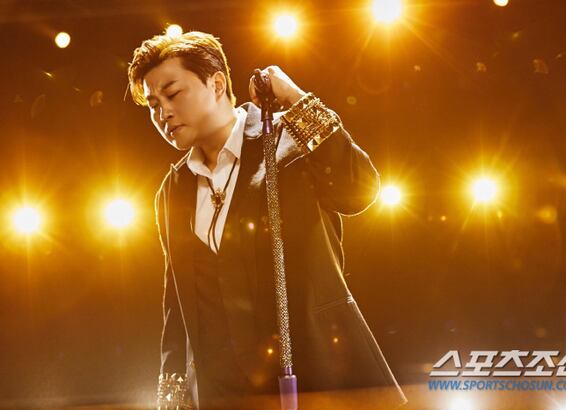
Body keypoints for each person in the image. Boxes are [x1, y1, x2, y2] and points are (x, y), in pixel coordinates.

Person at [127, 31, 407, 409]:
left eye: (173, 94)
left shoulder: (288, 140)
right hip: (222, 395)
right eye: (153, 105)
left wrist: (295, 100)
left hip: (314, 377)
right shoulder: (173, 189)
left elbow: (358, 191)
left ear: (217, 84)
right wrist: (173, 398)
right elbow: (177, 307)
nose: (163, 113)